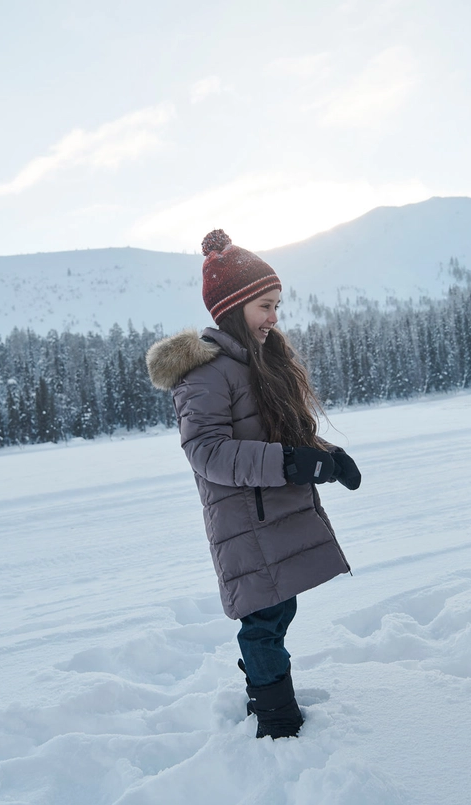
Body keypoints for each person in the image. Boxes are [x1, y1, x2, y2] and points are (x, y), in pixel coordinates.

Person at [146, 229, 361, 739]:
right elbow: (208, 453)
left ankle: (262, 696)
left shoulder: (256, 365)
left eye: (277, 305)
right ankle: (276, 719)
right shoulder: (205, 374)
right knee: (263, 621)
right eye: (266, 305)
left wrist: (328, 456)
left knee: (277, 610)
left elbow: (285, 436)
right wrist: (293, 464)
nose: (274, 317)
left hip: (272, 512)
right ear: (234, 306)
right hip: (247, 520)